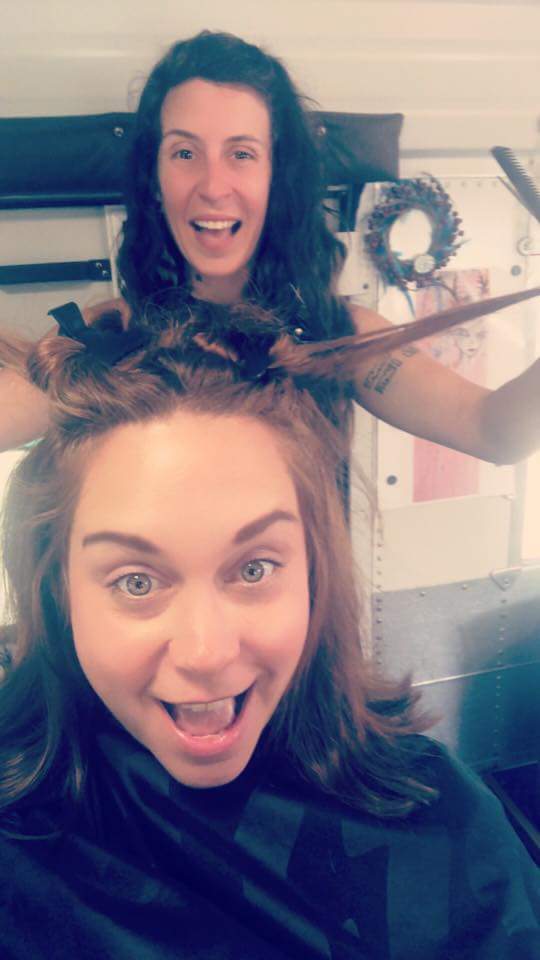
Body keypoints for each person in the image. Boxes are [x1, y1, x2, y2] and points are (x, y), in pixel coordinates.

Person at [0, 305, 538, 959]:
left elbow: (497, 427)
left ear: (315, 571)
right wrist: (71, 368)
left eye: (253, 569)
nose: (206, 653)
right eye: (137, 582)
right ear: (58, 592)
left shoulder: (446, 825)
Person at [2, 30, 540, 462]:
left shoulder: (339, 337)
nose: (213, 185)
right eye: (185, 153)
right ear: (155, 179)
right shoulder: (101, 338)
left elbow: (494, 431)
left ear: (275, 178)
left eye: (242, 154)